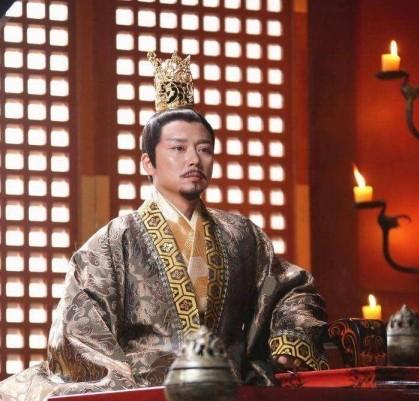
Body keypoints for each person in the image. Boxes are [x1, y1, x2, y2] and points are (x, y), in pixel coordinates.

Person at [0, 52, 328, 401]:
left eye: (204, 149)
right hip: (147, 393)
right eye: (178, 148)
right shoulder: (114, 242)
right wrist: (127, 391)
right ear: (148, 162)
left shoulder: (241, 235)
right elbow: (80, 333)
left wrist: (289, 339)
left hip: (228, 389)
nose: (194, 159)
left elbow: (290, 288)